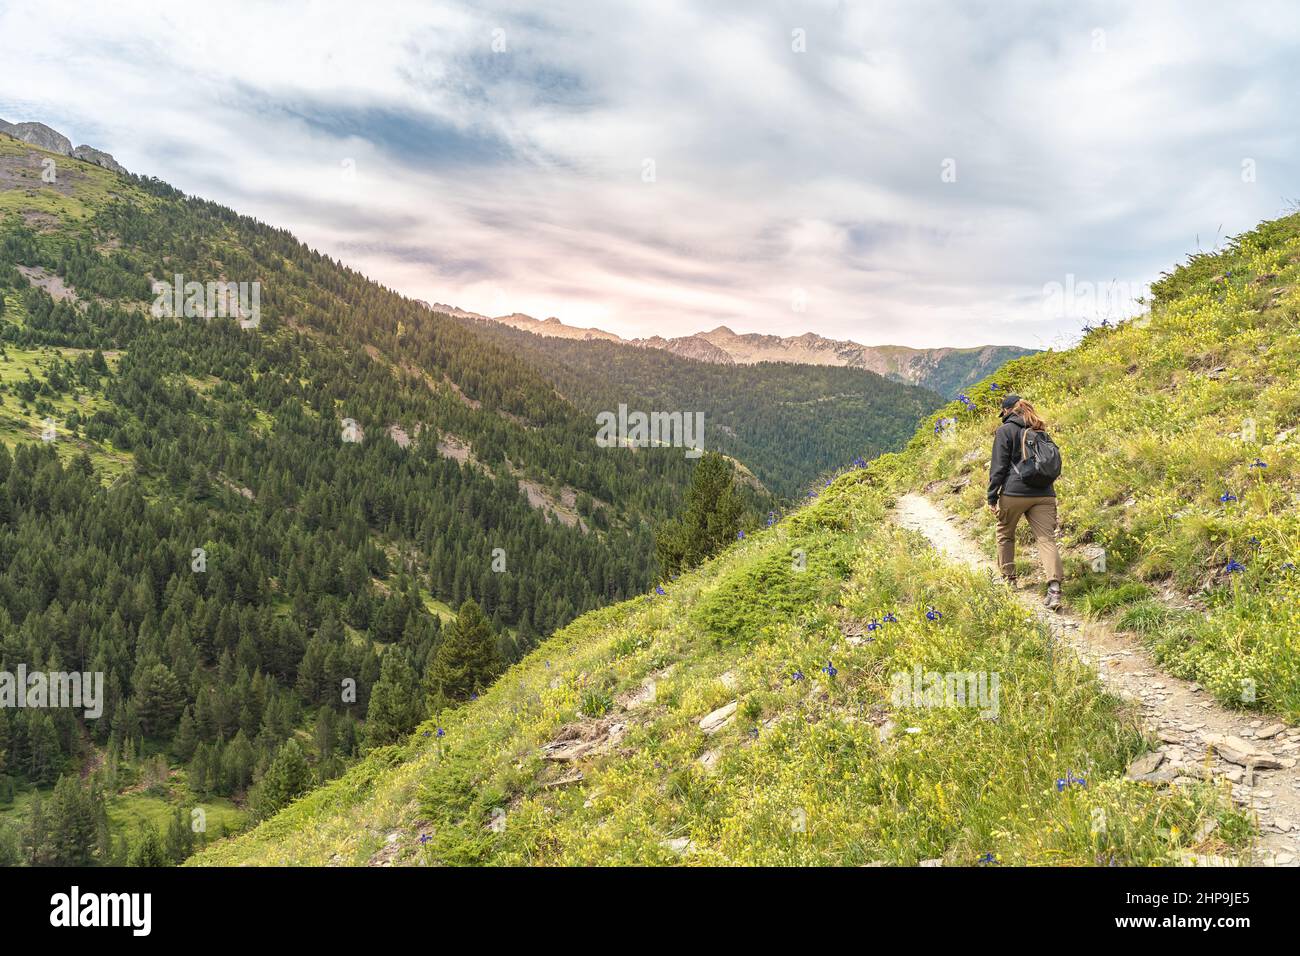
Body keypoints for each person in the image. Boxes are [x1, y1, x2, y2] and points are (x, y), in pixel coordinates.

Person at [987, 394, 1063, 609]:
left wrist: (992, 496)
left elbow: (998, 467)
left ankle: (1009, 580)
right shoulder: (1040, 429)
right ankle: (1055, 590)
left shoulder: (1005, 431)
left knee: (1005, 533)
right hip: (1045, 493)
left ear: (1008, 410)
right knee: (1046, 539)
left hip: (1014, 493)